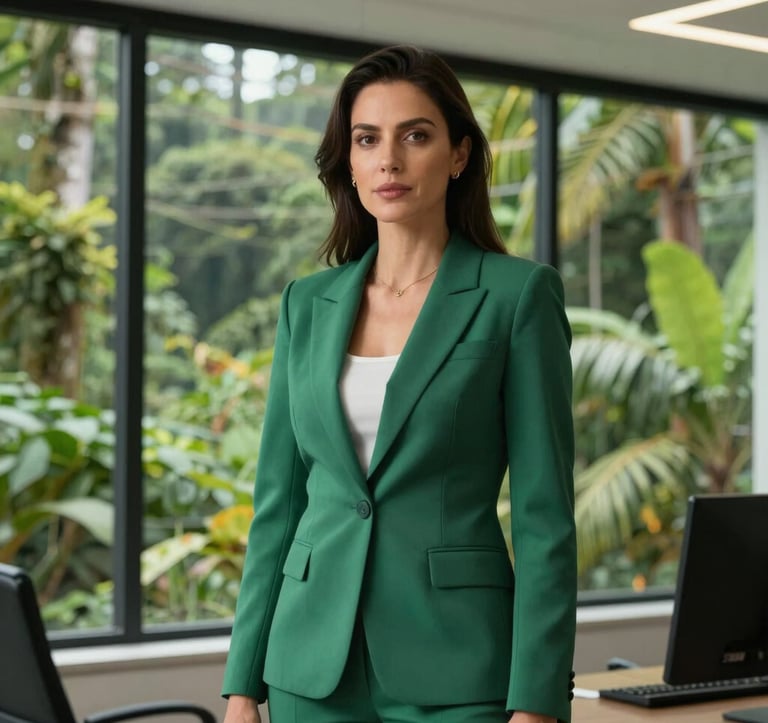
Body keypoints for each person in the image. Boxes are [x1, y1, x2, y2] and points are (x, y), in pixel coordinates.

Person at [221, 45, 576, 723]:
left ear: (459, 154)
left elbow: (544, 518)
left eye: (416, 135)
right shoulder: (308, 303)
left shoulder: (517, 297)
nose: (389, 159)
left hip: (458, 665)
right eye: (367, 139)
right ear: (349, 162)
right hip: (308, 666)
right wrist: (243, 685)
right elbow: (279, 505)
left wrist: (537, 701)